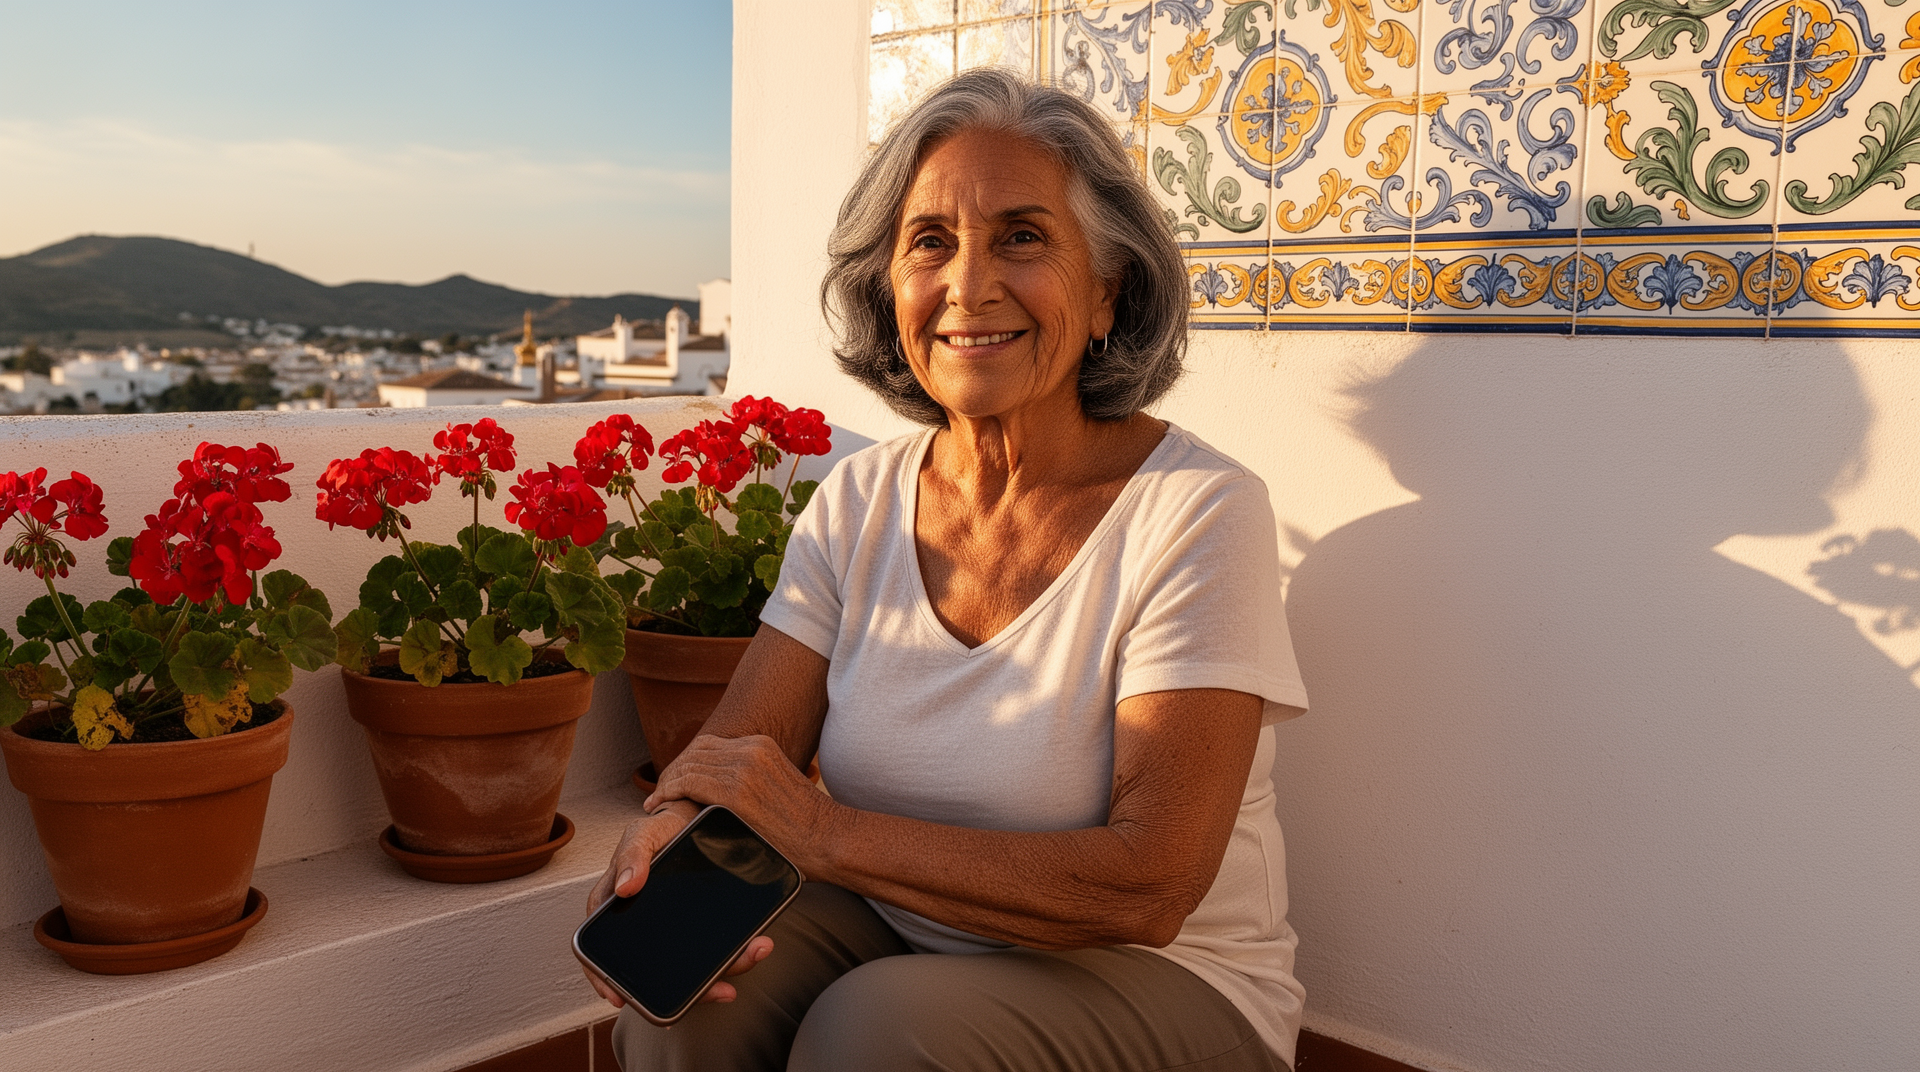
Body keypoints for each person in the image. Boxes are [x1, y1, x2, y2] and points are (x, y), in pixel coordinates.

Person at [588, 68, 1310, 1072]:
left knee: (876, 1030)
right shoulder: (857, 501)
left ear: (1107, 288)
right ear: (891, 292)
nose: (969, 286)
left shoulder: (1197, 512)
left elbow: (1150, 886)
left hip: (1169, 977)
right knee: (687, 994)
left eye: (1022, 236)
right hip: (906, 929)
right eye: (930, 242)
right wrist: (660, 838)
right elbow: (732, 758)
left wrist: (828, 835)